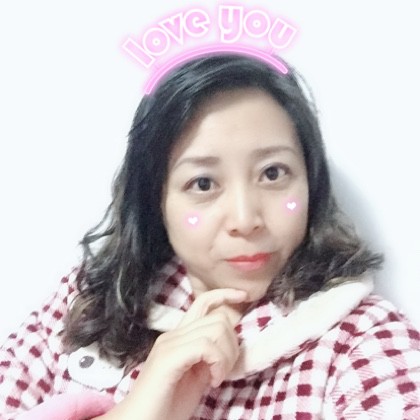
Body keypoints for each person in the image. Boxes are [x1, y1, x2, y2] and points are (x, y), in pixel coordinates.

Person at [1, 53, 419, 420]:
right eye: (203, 183)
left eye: (273, 173)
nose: (245, 219)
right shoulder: (84, 303)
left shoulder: (364, 338)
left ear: (311, 181)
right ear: (155, 199)